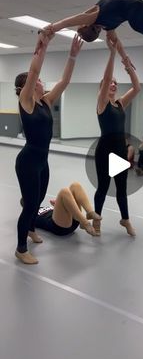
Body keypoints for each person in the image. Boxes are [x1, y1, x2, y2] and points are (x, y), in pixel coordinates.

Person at [15, 32, 83, 264]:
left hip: (43, 161)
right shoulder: (27, 101)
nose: (42, 81)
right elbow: (33, 72)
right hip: (28, 161)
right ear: (29, 86)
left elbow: (64, 82)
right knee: (31, 204)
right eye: (39, 80)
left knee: (40, 197)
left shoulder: (46, 101)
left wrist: (72, 56)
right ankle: (21, 248)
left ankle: (32, 228)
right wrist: (41, 48)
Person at [93, 32, 140, 236]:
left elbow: (137, 87)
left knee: (121, 187)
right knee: (103, 187)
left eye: (115, 83)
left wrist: (128, 67)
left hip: (120, 150)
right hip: (105, 150)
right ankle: (97, 221)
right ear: (103, 87)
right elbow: (105, 78)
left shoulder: (120, 103)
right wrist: (112, 53)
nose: (112, 84)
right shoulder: (102, 103)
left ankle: (125, 219)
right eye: (109, 83)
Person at [35, 182, 101, 236]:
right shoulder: (28, 214)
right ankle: (85, 222)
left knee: (75, 185)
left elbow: (59, 213)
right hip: (59, 227)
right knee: (64, 191)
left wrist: (57, 204)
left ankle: (90, 212)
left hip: (72, 221)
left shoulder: (43, 207)